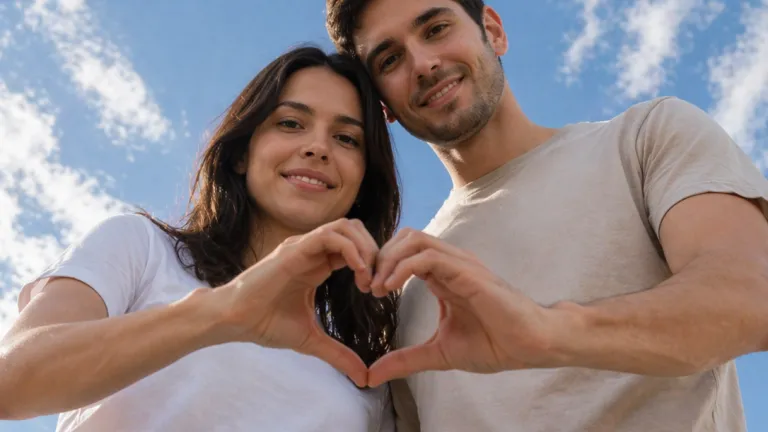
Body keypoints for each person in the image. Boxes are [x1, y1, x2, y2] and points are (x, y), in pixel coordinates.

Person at [325, 0, 768, 431]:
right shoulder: (405, 291)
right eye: (390, 59)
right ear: (382, 106)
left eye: (436, 29)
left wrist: (546, 331)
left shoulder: (644, 140)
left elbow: (752, 295)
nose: (422, 63)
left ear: (493, 31)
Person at [0, 46, 401, 432]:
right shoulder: (140, 247)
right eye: (290, 123)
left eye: (347, 138)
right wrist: (221, 313)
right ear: (242, 154)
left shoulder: (364, 367)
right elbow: (12, 380)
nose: (318, 147)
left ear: (364, 181)